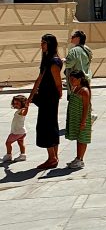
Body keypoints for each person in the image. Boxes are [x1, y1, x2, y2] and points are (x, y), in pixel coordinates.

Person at [23, 34, 63, 170]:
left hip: (50, 98)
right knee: (49, 125)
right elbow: (39, 79)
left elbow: (58, 83)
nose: (42, 45)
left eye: (44, 43)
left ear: (50, 44)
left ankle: (52, 158)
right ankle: (53, 157)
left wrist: (58, 94)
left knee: (47, 126)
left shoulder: (53, 61)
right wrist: (30, 97)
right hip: (46, 97)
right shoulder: (47, 60)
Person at [64, 71, 92, 170]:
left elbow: (86, 107)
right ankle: (78, 157)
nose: (71, 81)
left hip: (82, 118)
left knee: (82, 138)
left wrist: (83, 121)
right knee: (78, 138)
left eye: (73, 79)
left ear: (79, 79)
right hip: (75, 118)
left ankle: (80, 160)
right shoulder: (75, 89)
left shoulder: (84, 91)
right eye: (70, 79)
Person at [2, 95, 28, 164]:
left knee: (8, 143)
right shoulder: (20, 110)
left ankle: (8, 155)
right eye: (14, 103)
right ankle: (23, 155)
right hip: (21, 131)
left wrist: (26, 107)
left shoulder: (22, 110)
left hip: (17, 132)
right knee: (20, 143)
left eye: (17, 103)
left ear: (22, 103)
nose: (15, 105)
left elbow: (24, 113)